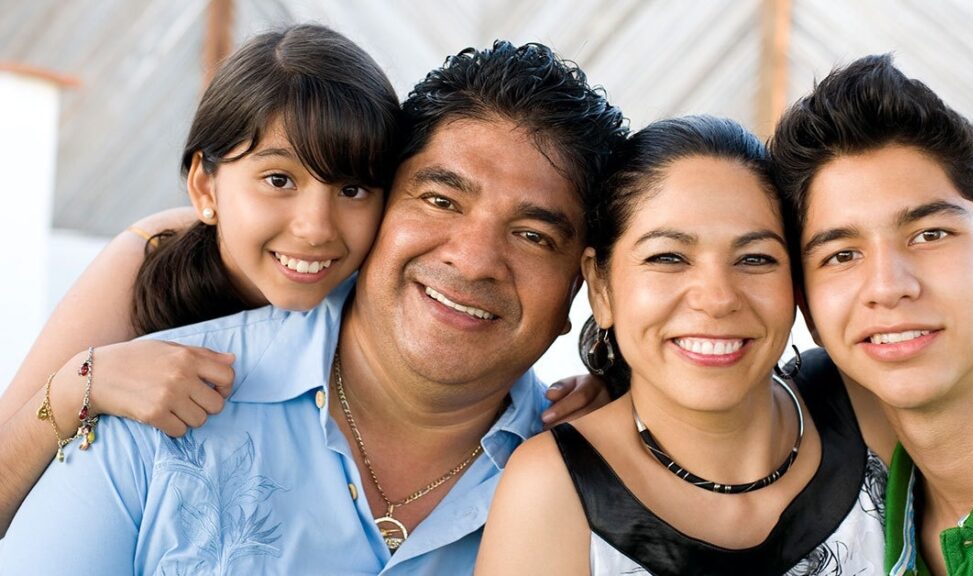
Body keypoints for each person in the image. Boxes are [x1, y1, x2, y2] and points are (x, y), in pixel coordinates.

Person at [0, 38, 626, 574]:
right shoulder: (140, 395)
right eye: (440, 200)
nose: (473, 259)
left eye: (534, 235)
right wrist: (78, 386)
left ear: (589, 284)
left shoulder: (599, 490)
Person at [477, 115, 893, 575]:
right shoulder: (552, 488)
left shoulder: (865, 402)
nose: (717, 299)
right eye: (668, 257)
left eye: (755, 258)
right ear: (601, 287)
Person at [770, 54, 973, 575]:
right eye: (841, 255)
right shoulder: (862, 521)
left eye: (929, 235)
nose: (887, 288)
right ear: (808, 311)